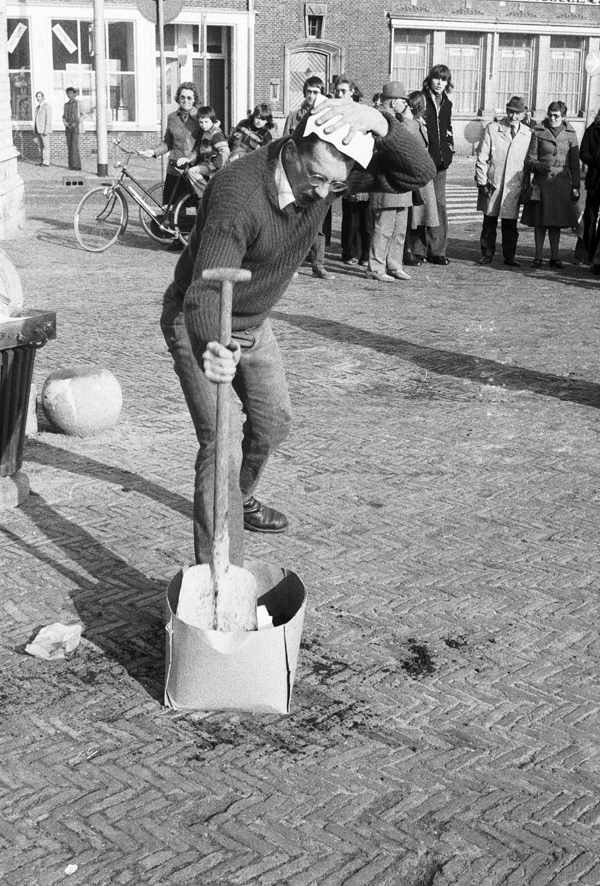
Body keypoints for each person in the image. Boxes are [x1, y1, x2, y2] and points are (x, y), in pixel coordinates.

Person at [160, 98, 435, 566]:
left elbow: (418, 173)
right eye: (318, 178)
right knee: (221, 444)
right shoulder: (238, 191)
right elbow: (205, 291)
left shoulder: (329, 176)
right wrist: (213, 346)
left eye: (336, 184)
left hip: (253, 319)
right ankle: (220, 575)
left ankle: (235, 498)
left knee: (272, 424)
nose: (325, 192)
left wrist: (383, 123)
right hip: (199, 320)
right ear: (293, 148)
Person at [283, 76, 335, 280]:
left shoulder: (327, 116)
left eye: (316, 92)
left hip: (319, 176)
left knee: (317, 223)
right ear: (304, 93)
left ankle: (318, 265)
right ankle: (292, 263)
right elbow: (285, 142)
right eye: (309, 91)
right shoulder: (294, 116)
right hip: (298, 175)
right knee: (295, 221)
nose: (312, 96)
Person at [474, 95, 533, 267]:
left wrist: (526, 185)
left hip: (513, 185)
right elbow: (482, 157)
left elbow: (528, 161)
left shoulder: (528, 134)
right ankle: (487, 253)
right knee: (489, 221)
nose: (513, 116)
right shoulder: (493, 129)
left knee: (510, 224)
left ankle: (509, 256)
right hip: (494, 181)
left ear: (523, 115)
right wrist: (482, 182)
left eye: (517, 113)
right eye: (510, 112)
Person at [522, 101, 580, 269]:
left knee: (556, 222)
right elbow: (530, 159)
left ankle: (555, 257)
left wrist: (575, 186)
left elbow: (575, 164)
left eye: (556, 116)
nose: (552, 118)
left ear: (564, 117)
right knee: (540, 221)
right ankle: (538, 256)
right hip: (542, 182)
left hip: (562, 182)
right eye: (550, 114)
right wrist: (538, 166)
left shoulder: (570, 133)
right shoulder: (539, 131)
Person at [366, 81, 413, 283]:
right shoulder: (382, 119)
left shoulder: (394, 118)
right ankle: (376, 267)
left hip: (400, 181)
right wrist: (410, 122)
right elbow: (405, 143)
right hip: (387, 180)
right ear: (394, 102)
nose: (406, 106)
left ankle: (394, 264)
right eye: (404, 101)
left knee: (400, 227)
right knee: (384, 227)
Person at [412, 64, 454, 266]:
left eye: (444, 79)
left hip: (441, 163)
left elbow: (448, 128)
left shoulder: (447, 103)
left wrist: (450, 150)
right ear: (429, 79)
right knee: (422, 204)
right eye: (437, 78)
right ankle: (418, 250)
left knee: (439, 204)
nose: (440, 83)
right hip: (423, 161)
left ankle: (437, 250)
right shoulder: (420, 99)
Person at [139, 82, 201, 208]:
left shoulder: (200, 117)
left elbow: (205, 142)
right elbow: (168, 142)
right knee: (175, 208)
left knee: (199, 206)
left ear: (194, 100)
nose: (185, 101)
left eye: (189, 98)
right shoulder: (172, 118)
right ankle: (176, 228)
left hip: (195, 167)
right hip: (175, 168)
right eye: (182, 97)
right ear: (178, 98)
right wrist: (153, 151)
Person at [403, 90, 439, 267]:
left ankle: (414, 250)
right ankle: (407, 251)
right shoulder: (411, 124)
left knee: (419, 215)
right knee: (413, 215)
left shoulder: (418, 123)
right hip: (415, 173)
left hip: (422, 174)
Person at [186, 106, 230, 198]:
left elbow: (225, 152)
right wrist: (188, 159)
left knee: (192, 172)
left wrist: (215, 167)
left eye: (206, 122)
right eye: (201, 122)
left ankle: (207, 196)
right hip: (206, 164)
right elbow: (197, 150)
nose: (203, 125)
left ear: (212, 121)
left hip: (214, 167)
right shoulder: (203, 133)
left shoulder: (216, 134)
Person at [580, 109, 600, 270]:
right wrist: (594, 161)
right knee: (590, 217)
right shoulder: (592, 130)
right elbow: (583, 153)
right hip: (594, 179)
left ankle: (597, 255)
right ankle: (589, 250)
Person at [62, 87, 84, 170]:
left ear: (75, 94)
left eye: (71, 93)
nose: (69, 95)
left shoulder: (79, 103)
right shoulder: (66, 105)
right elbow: (63, 116)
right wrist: (65, 123)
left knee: (74, 146)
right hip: (68, 127)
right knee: (69, 146)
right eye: (68, 93)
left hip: (76, 127)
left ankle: (77, 165)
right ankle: (71, 165)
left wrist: (76, 122)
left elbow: (83, 115)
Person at [33, 91, 52, 167]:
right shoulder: (37, 107)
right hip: (38, 130)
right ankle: (42, 160)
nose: (38, 98)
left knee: (45, 146)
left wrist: (46, 130)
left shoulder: (47, 106)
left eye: (39, 97)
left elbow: (48, 119)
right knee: (40, 146)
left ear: (43, 97)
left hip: (44, 130)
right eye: (37, 97)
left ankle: (46, 162)